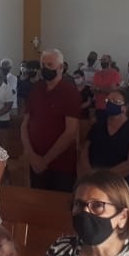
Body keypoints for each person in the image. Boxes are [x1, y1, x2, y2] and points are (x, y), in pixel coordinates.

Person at [22, 49, 80, 192]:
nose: (45, 68)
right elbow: (25, 124)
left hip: (61, 164)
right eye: (43, 64)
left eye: (50, 64)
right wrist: (31, 155)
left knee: (59, 202)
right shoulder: (37, 89)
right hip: (35, 159)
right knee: (37, 199)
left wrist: (45, 161)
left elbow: (71, 132)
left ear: (61, 67)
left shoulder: (70, 91)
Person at [79, 90, 129, 198]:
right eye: (108, 101)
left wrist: (104, 177)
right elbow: (85, 152)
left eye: (115, 101)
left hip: (122, 185)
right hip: (95, 182)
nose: (110, 104)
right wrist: (89, 174)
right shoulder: (98, 126)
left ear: (125, 107)